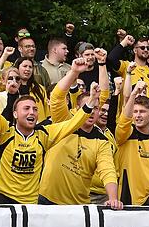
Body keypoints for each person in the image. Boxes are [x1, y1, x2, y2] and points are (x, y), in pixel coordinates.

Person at [0, 74, 97, 204]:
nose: (32, 112)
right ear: (15, 114)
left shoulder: (44, 134)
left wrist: (91, 101)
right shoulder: (5, 131)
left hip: (30, 202)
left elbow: (72, 124)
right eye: (26, 108)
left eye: (35, 109)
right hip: (2, 196)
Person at [38, 55, 121, 208]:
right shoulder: (64, 120)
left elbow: (108, 170)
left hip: (77, 207)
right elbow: (56, 97)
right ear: (77, 109)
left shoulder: (101, 141)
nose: (91, 112)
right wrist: (74, 72)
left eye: (96, 108)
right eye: (88, 107)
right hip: (46, 199)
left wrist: (113, 198)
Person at [107, 33, 149, 109]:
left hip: (147, 114)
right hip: (128, 114)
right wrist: (124, 42)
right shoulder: (126, 66)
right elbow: (111, 59)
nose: (146, 50)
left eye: (148, 48)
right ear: (135, 50)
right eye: (142, 48)